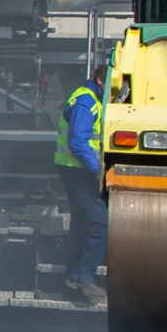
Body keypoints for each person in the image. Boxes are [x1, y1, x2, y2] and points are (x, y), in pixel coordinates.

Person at [53, 70, 109, 304]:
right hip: (79, 171)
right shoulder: (87, 101)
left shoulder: (89, 99)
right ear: (100, 80)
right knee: (102, 223)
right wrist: (100, 172)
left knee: (83, 224)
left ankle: (72, 280)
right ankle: (83, 278)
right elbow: (78, 142)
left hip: (77, 170)